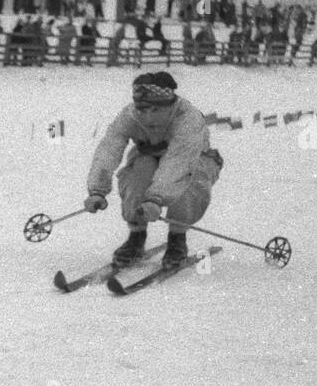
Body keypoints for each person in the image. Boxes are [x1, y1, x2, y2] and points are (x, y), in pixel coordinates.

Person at [82, 72, 223, 270]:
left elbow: (179, 162)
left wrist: (156, 198)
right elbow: (109, 149)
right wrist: (97, 189)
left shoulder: (188, 118)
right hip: (149, 155)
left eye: (156, 109)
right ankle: (136, 236)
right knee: (137, 173)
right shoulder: (129, 116)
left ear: (169, 104)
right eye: (142, 109)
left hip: (193, 160)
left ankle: (177, 238)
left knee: (191, 180)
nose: (147, 116)